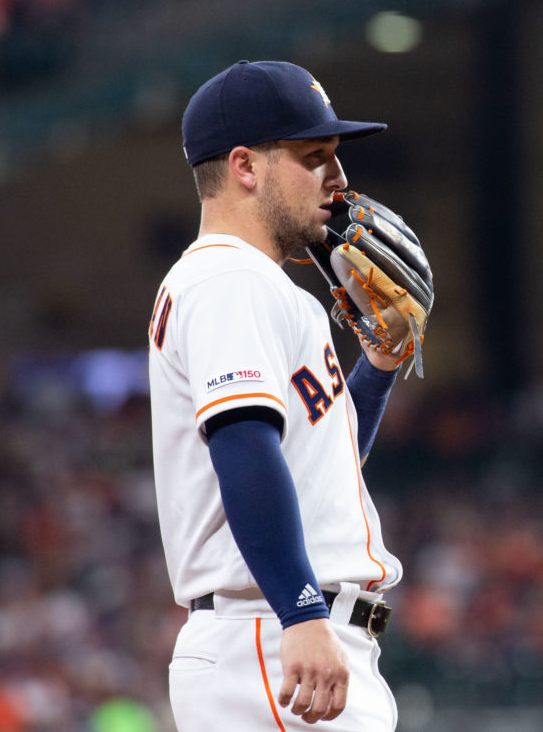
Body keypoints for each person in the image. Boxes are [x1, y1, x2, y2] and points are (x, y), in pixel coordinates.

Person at [147, 60, 403, 730]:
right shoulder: (230, 279)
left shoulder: (252, 285)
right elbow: (244, 445)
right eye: (314, 156)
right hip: (267, 634)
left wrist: (377, 363)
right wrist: (302, 610)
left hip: (277, 634)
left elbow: (318, 468)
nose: (338, 178)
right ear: (244, 167)